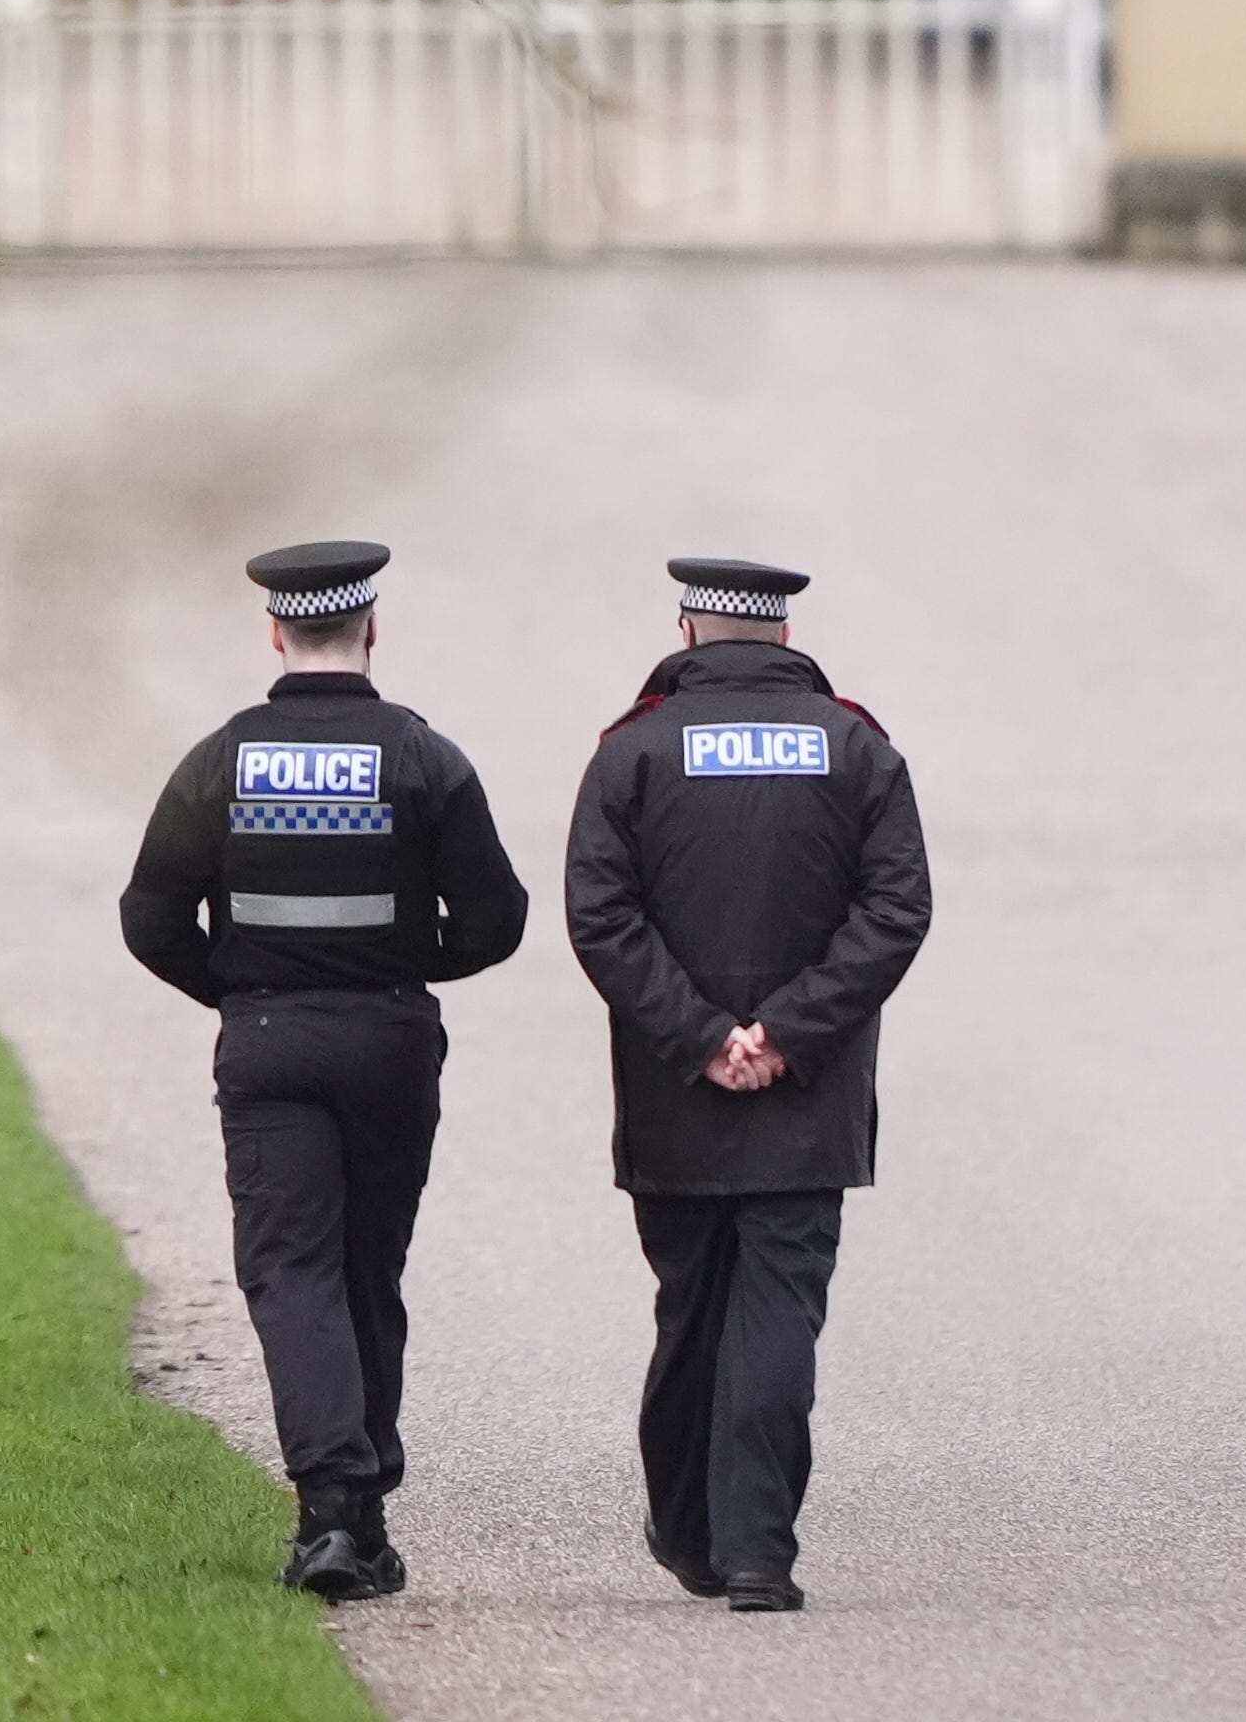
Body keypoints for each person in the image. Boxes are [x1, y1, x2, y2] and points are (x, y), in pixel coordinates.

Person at [119, 541, 530, 1603]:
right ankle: (366, 1514)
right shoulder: (422, 757)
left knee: (290, 1271)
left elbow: (149, 914)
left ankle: (332, 1518)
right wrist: (401, 964)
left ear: (274, 631)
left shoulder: (222, 759)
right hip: (390, 1038)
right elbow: (498, 918)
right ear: (371, 628)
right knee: (363, 1269)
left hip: (268, 1039)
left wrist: (238, 988)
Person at [565, 557, 932, 1615]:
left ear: (689, 628)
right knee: (778, 1313)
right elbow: (895, 910)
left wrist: (702, 1035)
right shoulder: (858, 747)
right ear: (781, 635)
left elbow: (602, 914)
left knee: (691, 1309)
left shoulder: (631, 750)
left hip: (678, 1086)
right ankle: (759, 1552)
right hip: (806, 1095)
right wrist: (786, 1032)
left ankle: (689, 1531)